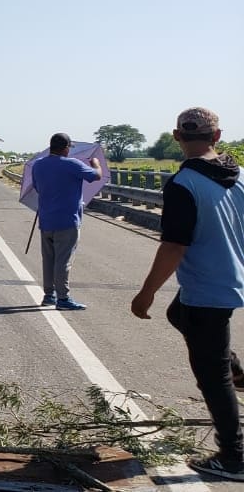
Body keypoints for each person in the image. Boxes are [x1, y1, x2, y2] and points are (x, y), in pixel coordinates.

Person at [131, 107, 244, 482]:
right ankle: (235, 369)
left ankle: (233, 458)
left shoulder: (184, 184)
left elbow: (173, 247)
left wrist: (145, 293)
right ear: (217, 136)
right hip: (229, 279)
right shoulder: (239, 175)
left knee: (213, 377)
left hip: (206, 291)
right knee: (177, 314)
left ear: (178, 137)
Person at [31, 132, 101, 310]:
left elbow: (37, 188)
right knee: (63, 261)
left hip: (46, 220)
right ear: (66, 148)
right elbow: (96, 176)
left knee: (48, 260)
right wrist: (96, 164)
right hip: (67, 220)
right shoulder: (72, 164)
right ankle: (63, 298)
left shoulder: (38, 165)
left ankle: (49, 295)